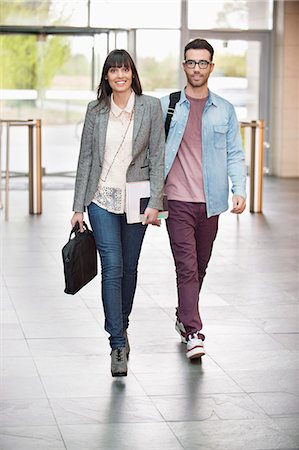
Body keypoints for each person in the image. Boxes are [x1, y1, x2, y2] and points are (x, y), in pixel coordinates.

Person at [71, 49, 165, 377]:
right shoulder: (95, 110)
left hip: (137, 200)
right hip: (101, 200)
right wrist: (77, 206)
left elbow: (158, 155)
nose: (119, 76)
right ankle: (116, 343)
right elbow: (85, 158)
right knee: (112, 267)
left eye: (124, 70)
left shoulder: (150, 106)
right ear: (106, 77)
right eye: (113, 71)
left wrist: (156, 202)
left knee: (130, 268)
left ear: (132, 74)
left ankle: (122, 324)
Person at [160, 38, 246, 360]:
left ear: (211, 66)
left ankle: (184, 316)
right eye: (191, 62)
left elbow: (235, 154)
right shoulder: (167, 106)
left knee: (200, 266)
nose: (196, 68)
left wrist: (239, 190)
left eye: (202, 63)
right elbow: (152, 153)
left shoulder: (224, 109)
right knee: (186, 266)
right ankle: (194, 331)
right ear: (184, 66)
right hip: (178, 201)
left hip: (211, 202)